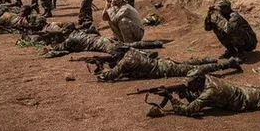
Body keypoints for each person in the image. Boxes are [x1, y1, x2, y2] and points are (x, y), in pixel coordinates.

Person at [97, 47, 241, 82]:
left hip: (164, 69)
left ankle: (227, 65)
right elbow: (153, 54)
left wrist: (102, 72)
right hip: (162, 62)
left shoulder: (126, 61)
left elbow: (112, 75)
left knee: (194, 70)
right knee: (186, 63)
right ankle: (208, 59)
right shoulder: (132, 52)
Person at [40, 22, 162, 58]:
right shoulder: (79, 32)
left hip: (101, 44)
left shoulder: (72, 39)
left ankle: (146, 54)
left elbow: (59, 48)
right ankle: (155, 44)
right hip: (102, 39)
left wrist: (53, 41)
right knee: (126, 45)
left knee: (122, 51)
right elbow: (91, 30)